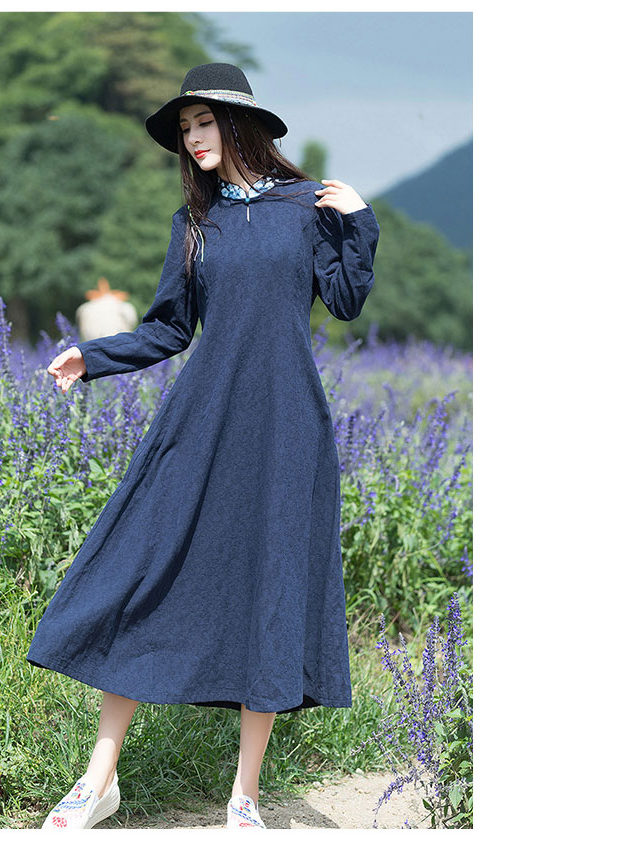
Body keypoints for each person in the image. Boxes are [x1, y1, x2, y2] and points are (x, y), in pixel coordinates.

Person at [28, 62, 380, 830]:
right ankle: (97, 780)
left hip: (286, 427)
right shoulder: (195, 223)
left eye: (202, 122)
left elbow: (347, 299)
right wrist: (94, 357)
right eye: (184, 128)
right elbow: (167, 328)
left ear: (237, 122)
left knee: (271, 590)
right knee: (142, 568)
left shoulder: (305, 208)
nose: (192, 138)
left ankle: (244, 795)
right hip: (203, 420)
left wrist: (359, 220)